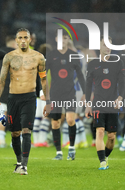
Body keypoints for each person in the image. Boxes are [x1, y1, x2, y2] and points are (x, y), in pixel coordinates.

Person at [0, 28, 51, 175]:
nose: (23, 40)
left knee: (26, 130)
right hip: (13, 98)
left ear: (30, 39)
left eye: (26, 37)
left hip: (29, 98)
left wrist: (48, 100)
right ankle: (19, 161)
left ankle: (24, 165)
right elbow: (1, 80)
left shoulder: (39, 57)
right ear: (16, 40)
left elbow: (43, 80)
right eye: (20, 38)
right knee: (15, 133)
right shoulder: (9, 57)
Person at [85, 36, 125, 170]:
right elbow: (88, 85)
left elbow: (122, 82)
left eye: (109, 44)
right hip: (98, 103)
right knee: (100, 131)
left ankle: (105, 156)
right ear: (100, 47)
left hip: (113, 103)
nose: (107, 47)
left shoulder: (117, 62)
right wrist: (88, 105)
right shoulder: (92, 64)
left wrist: (120, 97)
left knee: (112, 136)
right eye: (104, 44)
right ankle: (102, 161)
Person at [46, 33, 86, 161]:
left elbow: (80, 75)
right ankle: (58, 152)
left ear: (68, 40)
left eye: (65, 38)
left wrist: (85, 92)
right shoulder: (51, 55)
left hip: (69, 93)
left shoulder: (73, 55)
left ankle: (72, 149)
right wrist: (43, 92)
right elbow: (43, 75)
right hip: (55, 93)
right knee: (56, 122)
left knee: (70, 119)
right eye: (60, 38)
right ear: (56, 39)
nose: (63, 40)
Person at [0, 35, 18, 147]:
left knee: (1, 112)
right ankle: (16, 141)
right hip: (14, 86)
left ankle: (1, 140)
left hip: (1, 86)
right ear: (14, 44)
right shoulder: (17, 54)